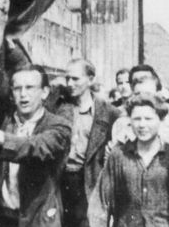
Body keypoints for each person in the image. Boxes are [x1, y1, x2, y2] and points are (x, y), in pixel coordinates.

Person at [0, 65, 72, 227]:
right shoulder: (5, 121)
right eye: (17, 88)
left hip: (37, 219)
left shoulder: (59, 126)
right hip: (0, 217)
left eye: (30, 87)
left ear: (44, 92)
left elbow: (34, 148)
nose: (23, 94)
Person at [87, 94, 169, 227]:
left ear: (161, 120)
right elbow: (100, 204)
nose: (142, 125)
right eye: (137, 119)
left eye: (148, 119)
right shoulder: (118, 156)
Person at [51, 59, 120, 227]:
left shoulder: (109, 112)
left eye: (75, 79)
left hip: (88, 181)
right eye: (67, 79)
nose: (69, 83)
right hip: (60, 178)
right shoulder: (59, 107)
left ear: (90, 79)